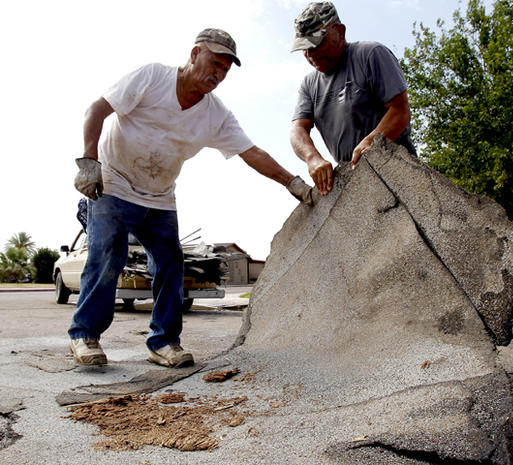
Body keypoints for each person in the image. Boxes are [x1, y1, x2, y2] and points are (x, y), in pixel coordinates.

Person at [70, 28, 312, 368]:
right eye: (214, 63)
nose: (218, 74)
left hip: (158, 197)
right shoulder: (152, 77)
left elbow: (251, 152)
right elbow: (96, 110)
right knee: (109, 252)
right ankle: (85, 335)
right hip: (113, 182)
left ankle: (164, 341)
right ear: (195, 53)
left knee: (170, 262)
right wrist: (88, 163)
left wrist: (294, 184)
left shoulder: (216, 115)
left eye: (226, 70)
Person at [289, 2, 416, 196]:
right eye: (304, 49)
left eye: (316, 44)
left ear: (339, 31)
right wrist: (312, 158)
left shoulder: (370, 55)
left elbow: (400, 110)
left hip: (397, 168)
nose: (310, 55)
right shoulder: (309, 84)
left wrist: (372, 142)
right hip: (355, 182)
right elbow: (297, 130)